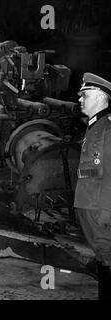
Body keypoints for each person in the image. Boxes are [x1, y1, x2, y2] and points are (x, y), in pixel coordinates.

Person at [74, 72, 111, 300]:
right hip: (93, 207)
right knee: (102, 259)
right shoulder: (95, 126)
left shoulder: (107, 127)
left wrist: (106, 211)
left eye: (84, 94)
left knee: (107, 259)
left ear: (99, 95)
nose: (79, 99)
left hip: (102, 209)